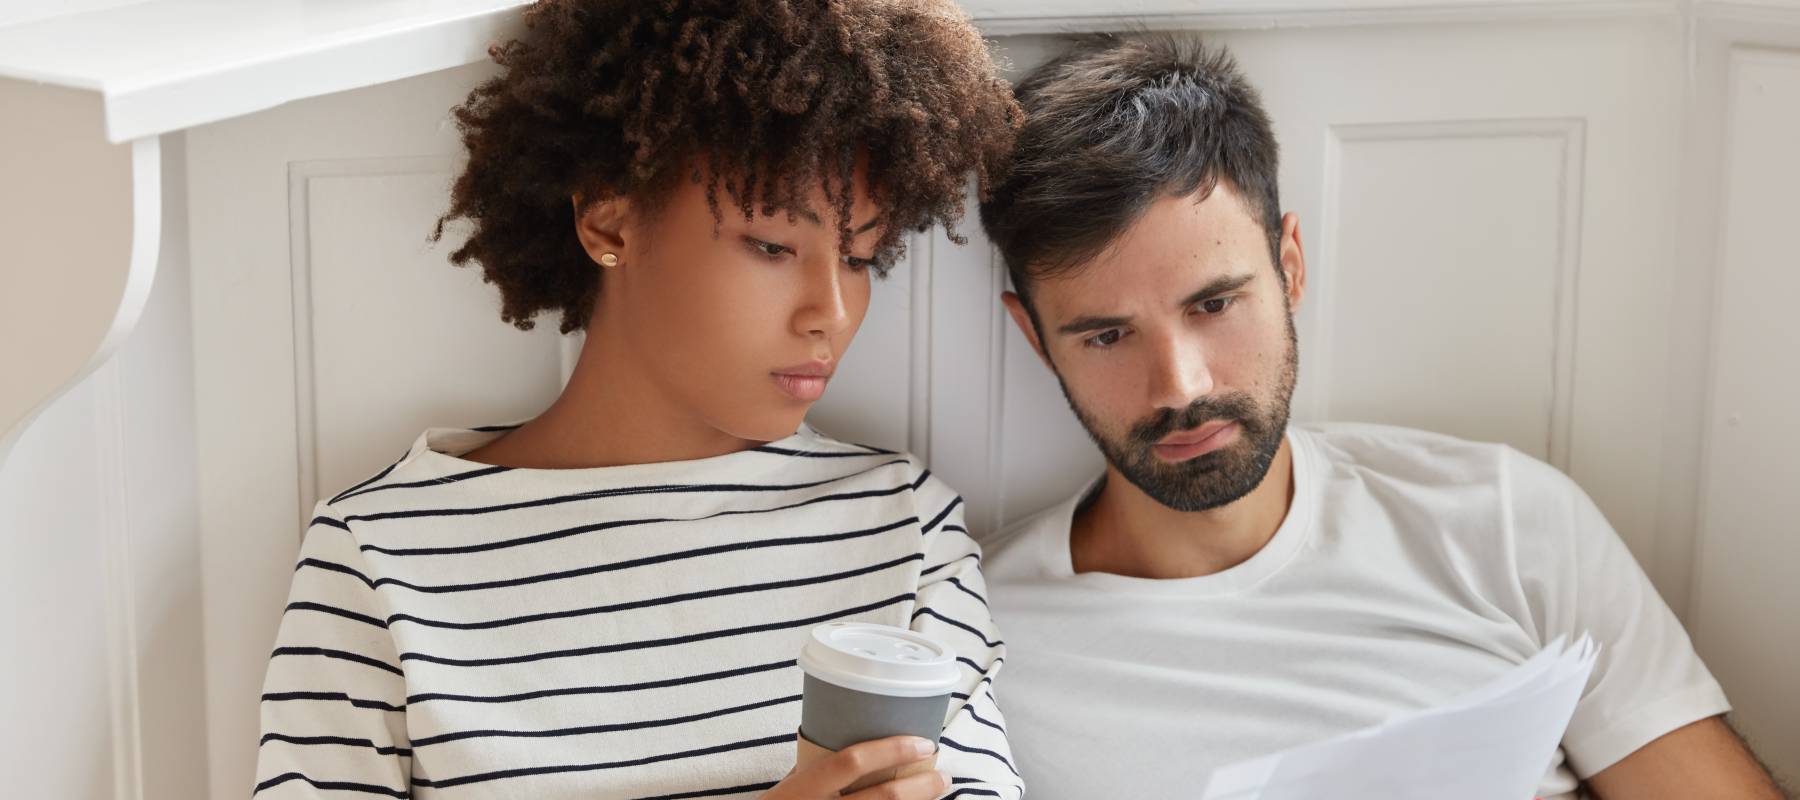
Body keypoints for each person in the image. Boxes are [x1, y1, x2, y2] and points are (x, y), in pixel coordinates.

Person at [975, 33, 1787, 799]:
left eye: (1215, 304)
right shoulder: (979, 639)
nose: (1180, 387)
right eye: (1108, 335)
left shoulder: (1505, 525)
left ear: (1290, 267)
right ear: (1038, 339)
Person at [251, 2, 1023, 798]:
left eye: (859, 258)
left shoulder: (901, 525)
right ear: (609, 223)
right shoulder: (382, 554)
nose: (830, 311)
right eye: (772, 246)